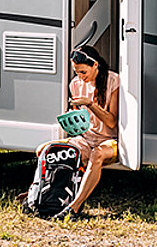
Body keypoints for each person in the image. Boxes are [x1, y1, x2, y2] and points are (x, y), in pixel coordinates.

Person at [43, 44, 120, 219]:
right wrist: (72, 118)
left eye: (83, 72)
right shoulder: (75, 84)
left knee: (97, 155)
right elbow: (81, 119)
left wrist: (90, 104)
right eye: (77, 72)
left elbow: (111, 121)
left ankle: (74, 208)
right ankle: (41, 194)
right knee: (47, 150)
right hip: (85, 138)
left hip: (109, 140)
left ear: (95, 66)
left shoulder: (113, 81)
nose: (80, 77)